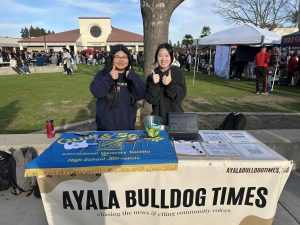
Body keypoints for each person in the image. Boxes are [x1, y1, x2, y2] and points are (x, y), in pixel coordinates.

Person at [90, 44, 145, 131]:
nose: (121, 60)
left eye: (124, 57)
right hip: (105, 130)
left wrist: (133, 78)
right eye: (117, 57)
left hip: (128, 129)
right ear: (112, 58)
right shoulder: (102, 74)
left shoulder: (132, 76)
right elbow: (97, 92)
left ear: (128, 59)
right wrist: (109, 78)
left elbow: (141, 95)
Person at [145, 43, 187, 125]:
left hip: (176, 119)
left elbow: (180, 96)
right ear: (156, 57)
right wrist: (154, 84)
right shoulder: (152, 77)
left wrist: (170, 84)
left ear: (171, 57)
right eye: (160, 56)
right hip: (157, 121)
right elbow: (151, 100)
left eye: (167, 56)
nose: (163, 59)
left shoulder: (177, 72)